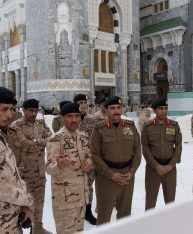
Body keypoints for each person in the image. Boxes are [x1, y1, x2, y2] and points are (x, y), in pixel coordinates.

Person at [91, 96, 141, 225]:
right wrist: (111, 175)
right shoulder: (99, 128)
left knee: (125, 215)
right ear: (106, 110)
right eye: (112, 108)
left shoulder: (130, 126)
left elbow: (137, 151)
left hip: (127, 176)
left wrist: (131, 172)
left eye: (119, 107)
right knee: (104, 215)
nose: (116, 111)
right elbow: (95, 155)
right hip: (107, 177)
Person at [46, 102, 93, 233]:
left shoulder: (83, 137)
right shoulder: (56, 139)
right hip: (65, 200)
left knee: (79, 230)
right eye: (70, 116)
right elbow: (49, 168)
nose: (74, 120)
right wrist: (59, 165)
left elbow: (89, 156)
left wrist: (89, 164)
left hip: (82, 195)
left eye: (77, 116)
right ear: (62, 118)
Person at [11, 99, 52, 234]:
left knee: (38, 203)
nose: (34, 113)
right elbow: (23, 143)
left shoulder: (41, 124)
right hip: (24, 174)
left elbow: (51, 140)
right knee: (22, 205)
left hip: (39, 172)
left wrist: (35, 141)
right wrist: (40, 143)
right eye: (30, 110)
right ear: (23, 110)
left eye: (36, 110)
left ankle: (37, 229)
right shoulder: (16, 126)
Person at [0, 87, 34, 233]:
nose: (9, 115)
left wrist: (22, 205)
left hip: (11, 220)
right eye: (4, 109)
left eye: (11, 109)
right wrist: (27, 200)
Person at [141, 98, 182, 209]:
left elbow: (178, 146)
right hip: (153, 169)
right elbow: (145, 148)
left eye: (166, 108)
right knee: (150, 202)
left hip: (170, 169)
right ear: (154, 110)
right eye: (160, 108)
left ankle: (168, 225)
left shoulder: (174, 126)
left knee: (170, 202)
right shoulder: (147, 127)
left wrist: (171, 165)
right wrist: (156, 165)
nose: (164, 111)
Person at [74, 94, 97, 225]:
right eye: (80, 102)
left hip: (89, 159)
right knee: (75, 186)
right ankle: (77, 212)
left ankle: (88, 213)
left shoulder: (92, 119)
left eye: (85, 102)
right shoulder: (71, 119)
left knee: (88, 186)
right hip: (74, 160)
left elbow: (97, 140)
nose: (83, 105)